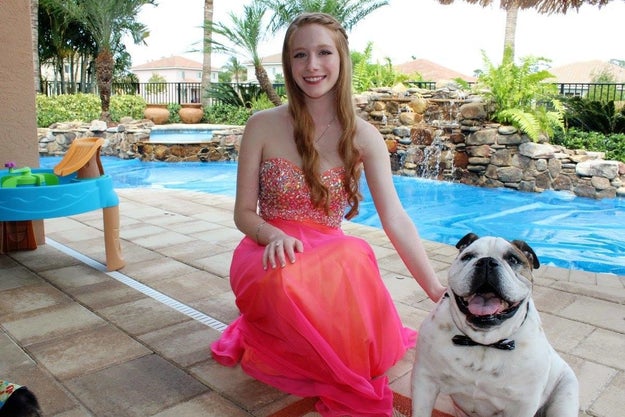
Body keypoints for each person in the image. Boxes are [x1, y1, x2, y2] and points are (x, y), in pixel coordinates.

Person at [210, 12, 446, 417]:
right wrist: (272, 235)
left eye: (323, 53)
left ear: (341, 59)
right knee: (290, 277)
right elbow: (243, 213)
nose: (312, 66)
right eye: (300, 55)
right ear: (288, 64)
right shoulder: (261, 126)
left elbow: (395, 218)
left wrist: (435, 290)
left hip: (331, 252)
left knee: (353, 255)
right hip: (268, 248)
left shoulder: (364, 136)